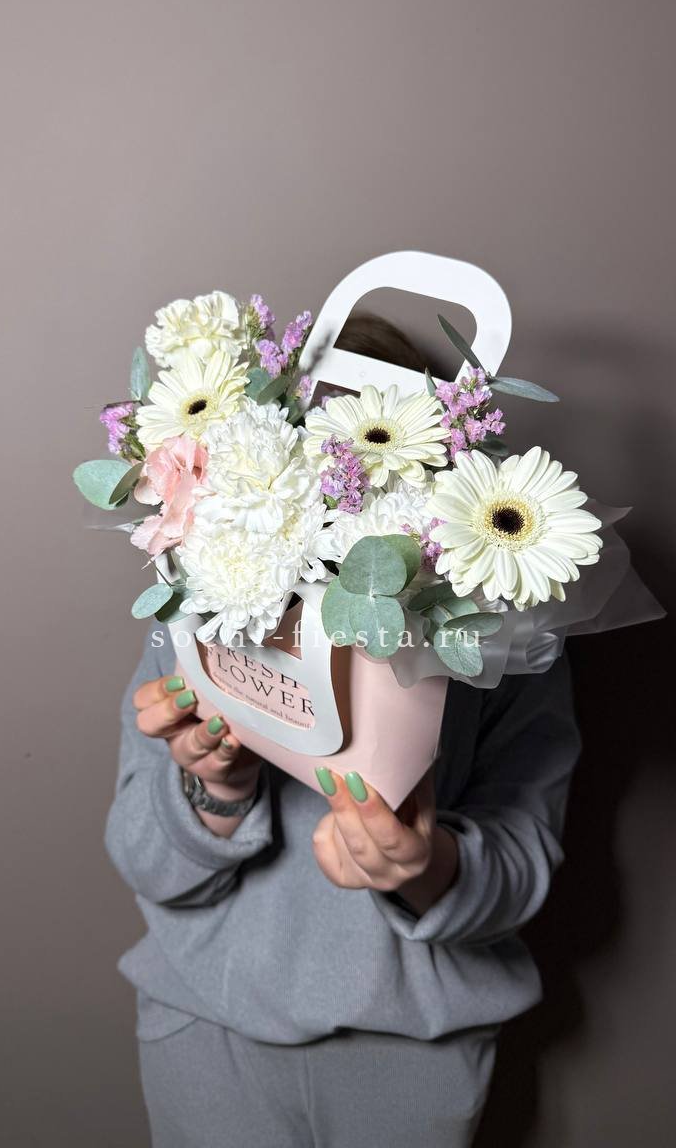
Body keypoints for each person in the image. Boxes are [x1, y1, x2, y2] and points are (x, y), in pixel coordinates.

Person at [105, 314, 582, 1147]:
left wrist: (426, 865)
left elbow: (523, 867)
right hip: (207, 1028)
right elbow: (142, 861)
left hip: (415, 1049)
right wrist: (216, 786)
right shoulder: (200, 603)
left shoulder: (503, 632)